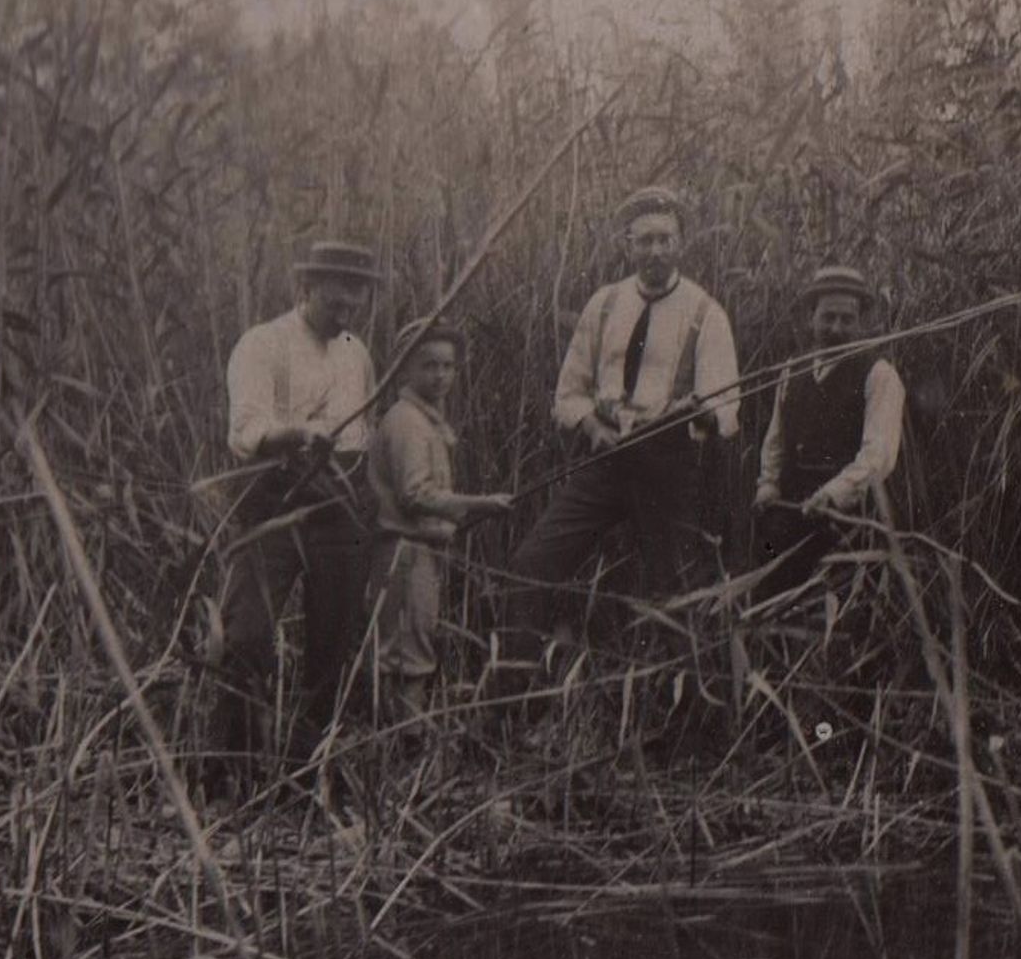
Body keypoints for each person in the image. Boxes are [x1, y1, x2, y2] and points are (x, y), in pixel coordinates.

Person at [507, 186, 740, 646]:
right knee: (533, 562)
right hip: (607, 457)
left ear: (681, 244)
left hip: (668, 465)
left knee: (670, 596)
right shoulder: (605, 303)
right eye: (645, 240)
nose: (656, 251)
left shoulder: (705, 313)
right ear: (626, 245)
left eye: (666, 240)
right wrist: (593, 428)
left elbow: (727, 408)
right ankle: (520, 676)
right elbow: (569, 393)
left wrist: (697, 415)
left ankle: (666, 705)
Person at [211, 240, 379, 796]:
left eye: (354, 304)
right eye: (335, 303)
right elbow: (246, 431)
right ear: (303, 290)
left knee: (333, 642)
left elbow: (361, 433)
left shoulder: (356, 351)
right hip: (274, 501)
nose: (345, 313)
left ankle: (307, 774)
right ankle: (226, 775)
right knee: (246, 638)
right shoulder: (263, 345)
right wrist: (300, 435)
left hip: (338, 507)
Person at [365, 319, 512, 718]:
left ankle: (401, 741)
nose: (441, 376)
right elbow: (416, 496)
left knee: (410, 644)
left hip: (418, 552)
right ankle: (405, 742)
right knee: (407, 653)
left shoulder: (426, 420)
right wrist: (483, 504)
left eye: (448, 366)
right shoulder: (408, 423)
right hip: (404, 555)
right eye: (429, 365)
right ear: (405, 369)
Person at [750, 264, 905, 606]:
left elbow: (878, 457)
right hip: (790, 512)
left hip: (848, 519)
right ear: (811, 318)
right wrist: (768, 483)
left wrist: (833, 494)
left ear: (861, 322)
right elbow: (775, 441)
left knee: (833, 605)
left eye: (847, 320)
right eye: (828, 317)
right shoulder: (792, 371)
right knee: (770, 596)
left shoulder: (879, 375)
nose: (836, 328)